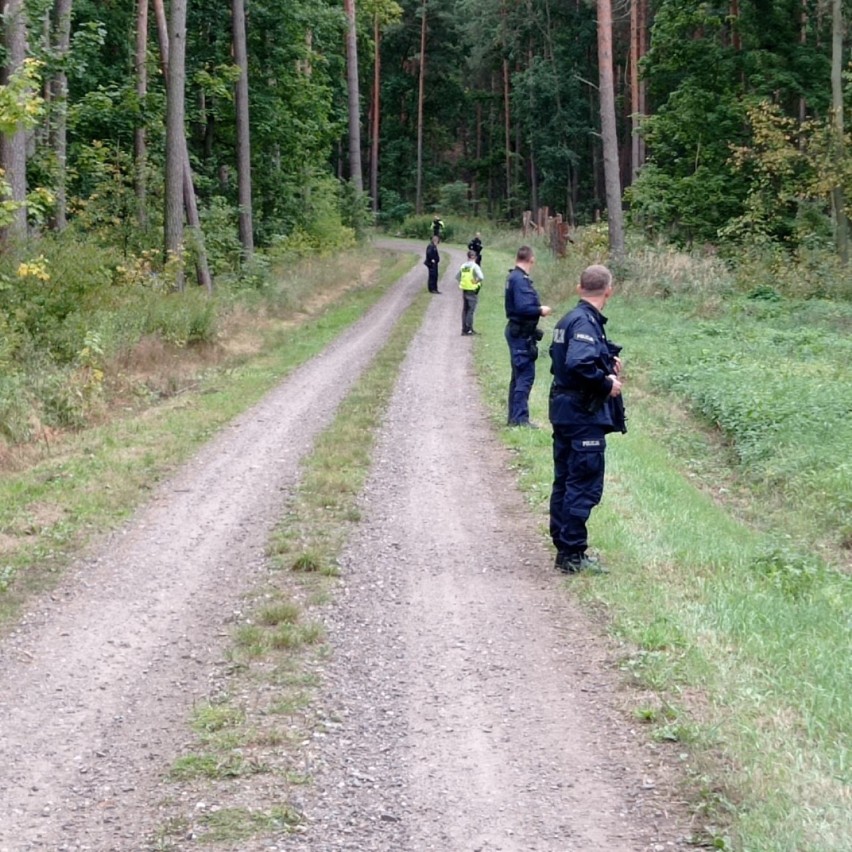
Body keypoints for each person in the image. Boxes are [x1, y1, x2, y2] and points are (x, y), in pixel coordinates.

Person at [548, 264, 627, 575]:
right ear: (608, 291)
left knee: (565, 479)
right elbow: (578, 363)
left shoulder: (570, 318)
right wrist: (607, 384)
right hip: (581, 415)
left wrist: (607, 359)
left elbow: (566, 358)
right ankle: (571, 554)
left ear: (579, 288)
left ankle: (563, 545)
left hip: (565, 410)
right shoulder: (583, 321)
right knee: (582, 482)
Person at [504, 246, 551, 427]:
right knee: (524, 375)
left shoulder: (514, 277)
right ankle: (519, 419)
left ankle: (514, 417)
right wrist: (541, 310)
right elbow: (523, 308)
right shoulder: (520, 280)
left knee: (518, 375)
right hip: (520, 334)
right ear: (532, 259)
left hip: (519, 331)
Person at [456, 250, 484, 335]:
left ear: (467, 256)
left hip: (464, 289)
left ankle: (464, 329)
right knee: (470, 310)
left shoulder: (463, 266)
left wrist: (464, 283)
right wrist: (475, 282)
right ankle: (469, 329)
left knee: (465, 310)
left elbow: (457, 277)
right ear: (475, 257)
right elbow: (481, 277)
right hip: (472, 290)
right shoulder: (475, 266)